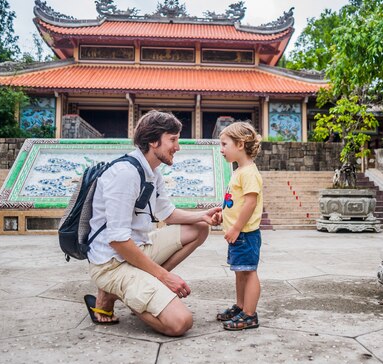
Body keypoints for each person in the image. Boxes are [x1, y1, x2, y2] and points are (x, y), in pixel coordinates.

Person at [85, 110, 222, 336]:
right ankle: (121, 292)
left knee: (199, 229)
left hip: (138, 249)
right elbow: (118, 240)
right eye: (173, 139)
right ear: (153, 141)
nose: (178, 147)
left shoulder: (152, 171)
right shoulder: (125, 173)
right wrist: (164, 277)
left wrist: (202, 215)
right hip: (112, 263)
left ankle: (140, 288)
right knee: (180, 323)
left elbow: (167, 214)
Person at [217, 122, 263, 330]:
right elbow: (234, 200)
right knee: (239, 271)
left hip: (245, 234)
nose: (221, 149)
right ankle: (241, 306)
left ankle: (250, 314)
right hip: (238, 234)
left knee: (249, 272)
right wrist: (223, 214)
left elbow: (250, 202)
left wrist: (236, 228)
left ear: (240, 144)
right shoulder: (238, 171)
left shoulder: (249, 173)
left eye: (224, 144)